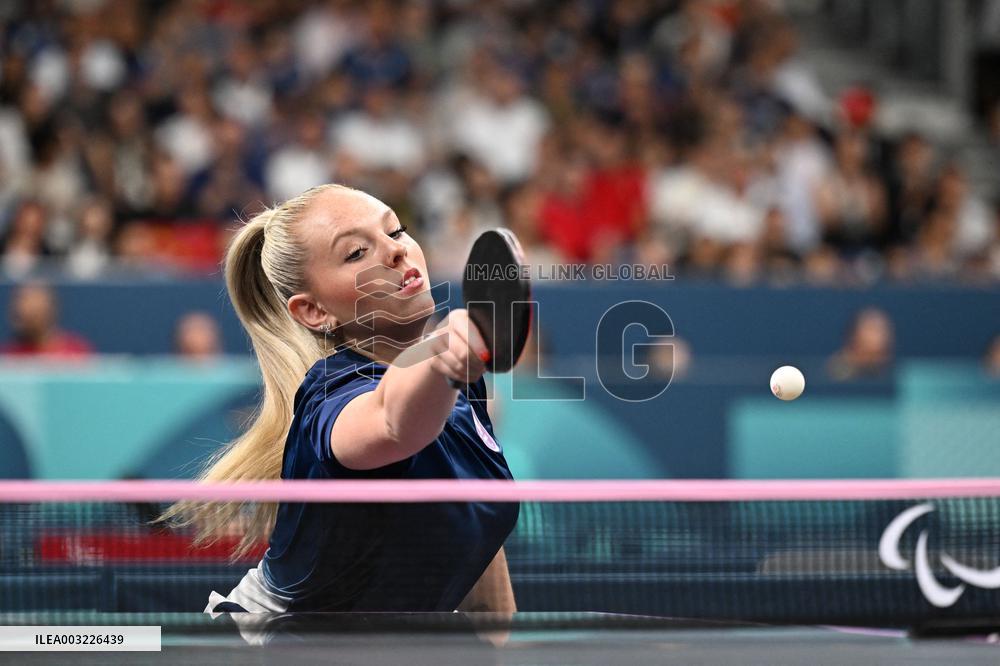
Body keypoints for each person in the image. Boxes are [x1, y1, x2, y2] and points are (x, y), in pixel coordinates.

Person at [160, 184, 518, 614]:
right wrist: (443, 354)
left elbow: (484, 562)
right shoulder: (329, 398)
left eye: (396, 231)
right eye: (355, 253)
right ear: (314, 311)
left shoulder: (461, 386)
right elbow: (393, 423)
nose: (395, 252)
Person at [0, 283, 93, 357]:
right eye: (19, 312)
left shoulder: (76, 353)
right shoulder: (8, 357)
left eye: (33, 312)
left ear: (50, 311)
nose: (24, 312)